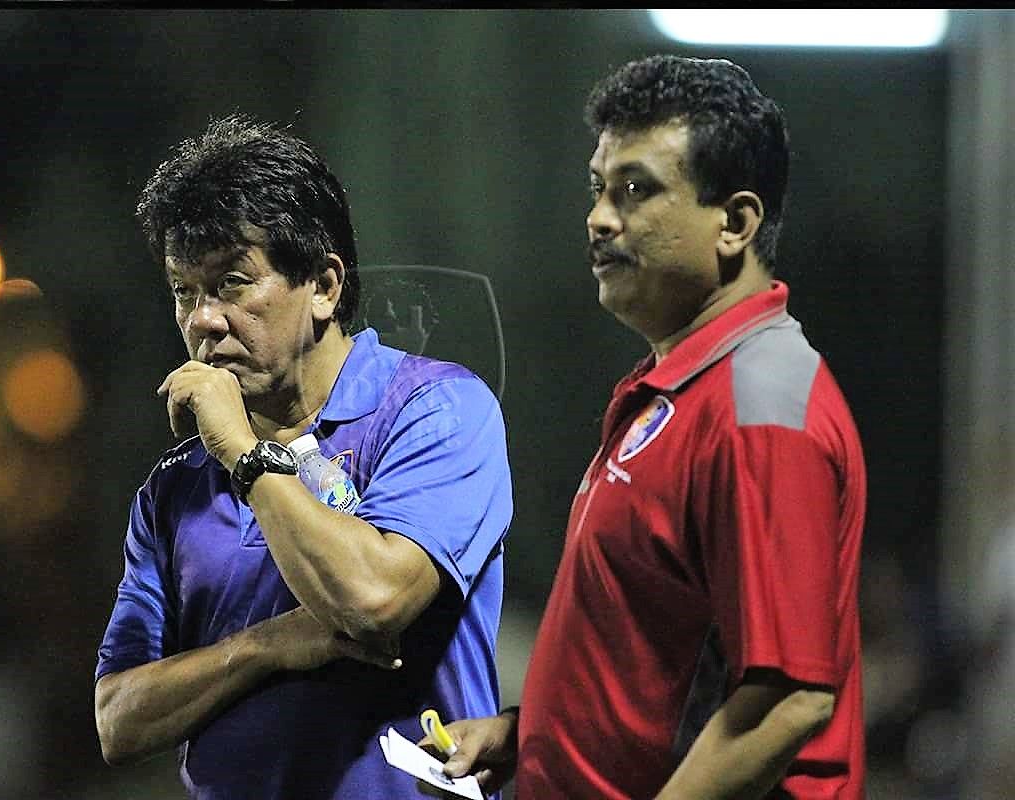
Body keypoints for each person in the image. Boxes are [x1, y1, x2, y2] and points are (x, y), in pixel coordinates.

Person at [426, 54, 867, 799]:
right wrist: (531, 733)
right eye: (599, 188)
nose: (599, 216)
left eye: (636, 190)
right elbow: (667, 655)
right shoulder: (681, 386)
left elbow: (789, 699)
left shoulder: (762, 410)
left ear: (734, 223)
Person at [93, 113, 513, 799]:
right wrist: (266, 647)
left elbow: (372, 600)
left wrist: (246, 454)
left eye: (231, 282)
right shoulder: (174, 488)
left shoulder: (434, 411)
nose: (202, 319)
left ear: (324, 285)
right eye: (183, 290)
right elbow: (118, 720)